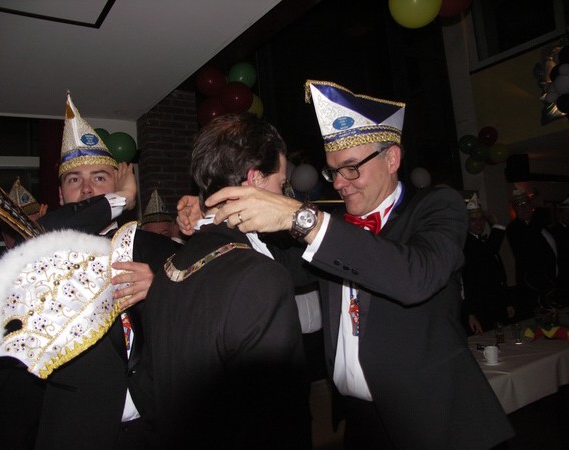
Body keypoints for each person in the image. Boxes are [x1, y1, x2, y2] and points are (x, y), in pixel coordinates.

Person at [179, 80, 514, 449]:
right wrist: (214, 215)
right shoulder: (336, 227)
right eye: (333, 172)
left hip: (435, 418)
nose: (339, 183)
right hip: (361, 422)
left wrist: (303, 219)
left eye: (351, 169)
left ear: (392, 159)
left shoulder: (436, 206)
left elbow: (416, 277)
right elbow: (279, 268)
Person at [143, 113, 310, 449]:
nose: (284, 195)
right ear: (255, 179)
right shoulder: (258, 275)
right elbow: (278, 416)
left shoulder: (169, 268)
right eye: (281, 183)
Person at [33, 93, 180, 450]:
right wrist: (120, 200)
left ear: (116, 181)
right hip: (77, 426)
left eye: (99, 177)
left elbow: (201, 307)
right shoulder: (43, 250)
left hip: (154, 421)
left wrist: (160, 288)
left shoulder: (153, 245)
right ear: (60, 195)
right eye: (74, 180)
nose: (87, 188)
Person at [0, 179, 48, 450]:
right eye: (13, 226)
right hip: (7, 386)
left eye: (29, 224)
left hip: (48, 387)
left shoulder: (55, 257)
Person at [461, 193, 515, 334]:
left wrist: (506, 302)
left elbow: (498, 275)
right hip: (479, 308)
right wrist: (496, 225)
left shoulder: (484, 242)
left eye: (481, 219)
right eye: (473, 220)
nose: (479, 223)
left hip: (495, 304)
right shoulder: (466, 244)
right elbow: (487, 254)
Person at [506, 187, 559, 316]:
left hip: (549, 280)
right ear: (515, 209)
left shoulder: (538, 224)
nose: (524, 207)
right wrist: (538, 208)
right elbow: (529, 247)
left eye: (526, 203)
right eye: (519, 205)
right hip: (530, 283)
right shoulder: (514, 228)